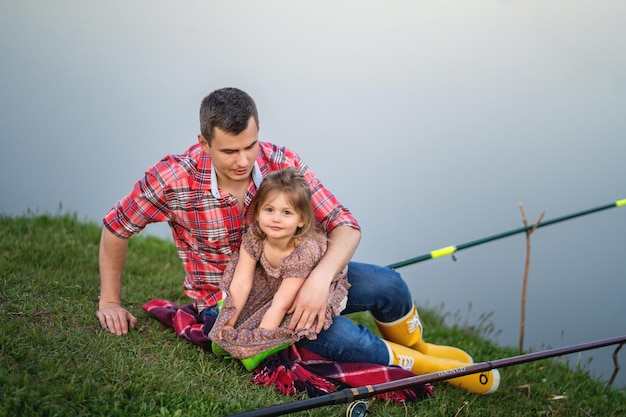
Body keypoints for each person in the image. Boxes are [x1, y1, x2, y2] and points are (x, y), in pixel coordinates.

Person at [96, 87, 500, 394]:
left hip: (300, 272)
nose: (243, 161)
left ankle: (423, 348)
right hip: (229, 299)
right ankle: (428, 368)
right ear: (204, 143)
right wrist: (110, 301)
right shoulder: (171, 178)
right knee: (343, 338)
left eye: (250, 146)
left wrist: (320, 280)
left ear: (259, 133)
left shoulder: (279, 161)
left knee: (389, 285)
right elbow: (117, 227)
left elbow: (345, 224)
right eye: (229, 151)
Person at [208, 167, 350, 371]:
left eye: (286, 212)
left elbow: (281, 303)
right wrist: (228, 322)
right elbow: (241, 282)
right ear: (257, 213)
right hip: (271, 280)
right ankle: (236, 335)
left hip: (304, 288)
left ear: (301, 220)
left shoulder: (304, 252)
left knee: (290, 317)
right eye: (269, 210)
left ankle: (265, 349)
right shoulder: (255, 236)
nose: (276, 218)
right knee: (240, 309)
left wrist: (258, 341)